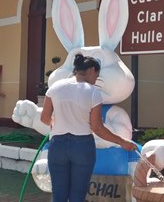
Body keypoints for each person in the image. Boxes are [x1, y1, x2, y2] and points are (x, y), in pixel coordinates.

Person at [40, 53, 137, 202]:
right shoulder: (93, 92)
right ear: (92, 70)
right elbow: (98, 128)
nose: (95, 80)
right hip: (82, 146)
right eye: (97, 76)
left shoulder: (55, 87)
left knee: (58, 194)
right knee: (77, 196)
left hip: (58, 145)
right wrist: (121, 141)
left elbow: (44, 118)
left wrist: (54, 122)